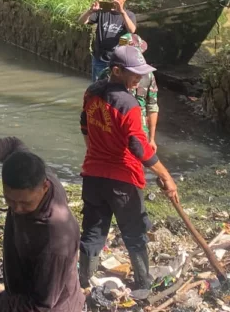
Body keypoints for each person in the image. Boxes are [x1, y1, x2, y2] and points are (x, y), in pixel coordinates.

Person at [79, 45, 179, 294]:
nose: (139, 78)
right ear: (115, 70)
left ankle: (82, 282)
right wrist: (166, 175)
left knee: (93, 232)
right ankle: (144, 284)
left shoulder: (91, 93)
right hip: (123, 180)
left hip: (92, 176)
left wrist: (95, 151)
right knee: (135, 233)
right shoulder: (129, 104)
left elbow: (84, 125)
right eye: (134, 74)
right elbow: (138, 146)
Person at [0, 137, 84, 312]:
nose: (17, 209)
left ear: (45, 187)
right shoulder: (34, 172)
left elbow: (40, 306)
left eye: (25, 203)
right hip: (25, 290)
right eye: (10, 200)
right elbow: (13, 146)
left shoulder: (55, 239)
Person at [98, 33, 159, 151]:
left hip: (140, 133)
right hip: (113, 133)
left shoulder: (148, 76)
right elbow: (97, 107)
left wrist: (151, 139)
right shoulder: (107, 75)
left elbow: (152, 106)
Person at [78, 0, 137, 82]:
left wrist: (122, 12)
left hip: (117, 62)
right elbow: (81, 21)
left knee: (113, 89)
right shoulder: (102, 12)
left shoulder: (129, 15)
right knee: (97, 89)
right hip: (99, 59)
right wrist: (90, 11)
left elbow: (132, 30)